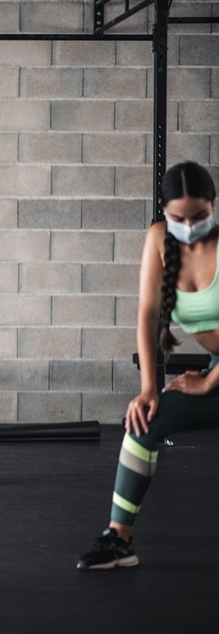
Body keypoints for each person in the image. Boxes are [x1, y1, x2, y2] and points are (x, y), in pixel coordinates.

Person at [78, 161, 218, 570]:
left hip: (216, 376)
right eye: (178, 218)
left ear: (213, 206)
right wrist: (148, 390)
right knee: (144, 420)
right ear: (164, 212)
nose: (189, 225)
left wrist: (209, 383)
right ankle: (118, 541)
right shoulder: (159, 239)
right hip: (217, 367)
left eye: (199, 216)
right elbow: (146, 315)